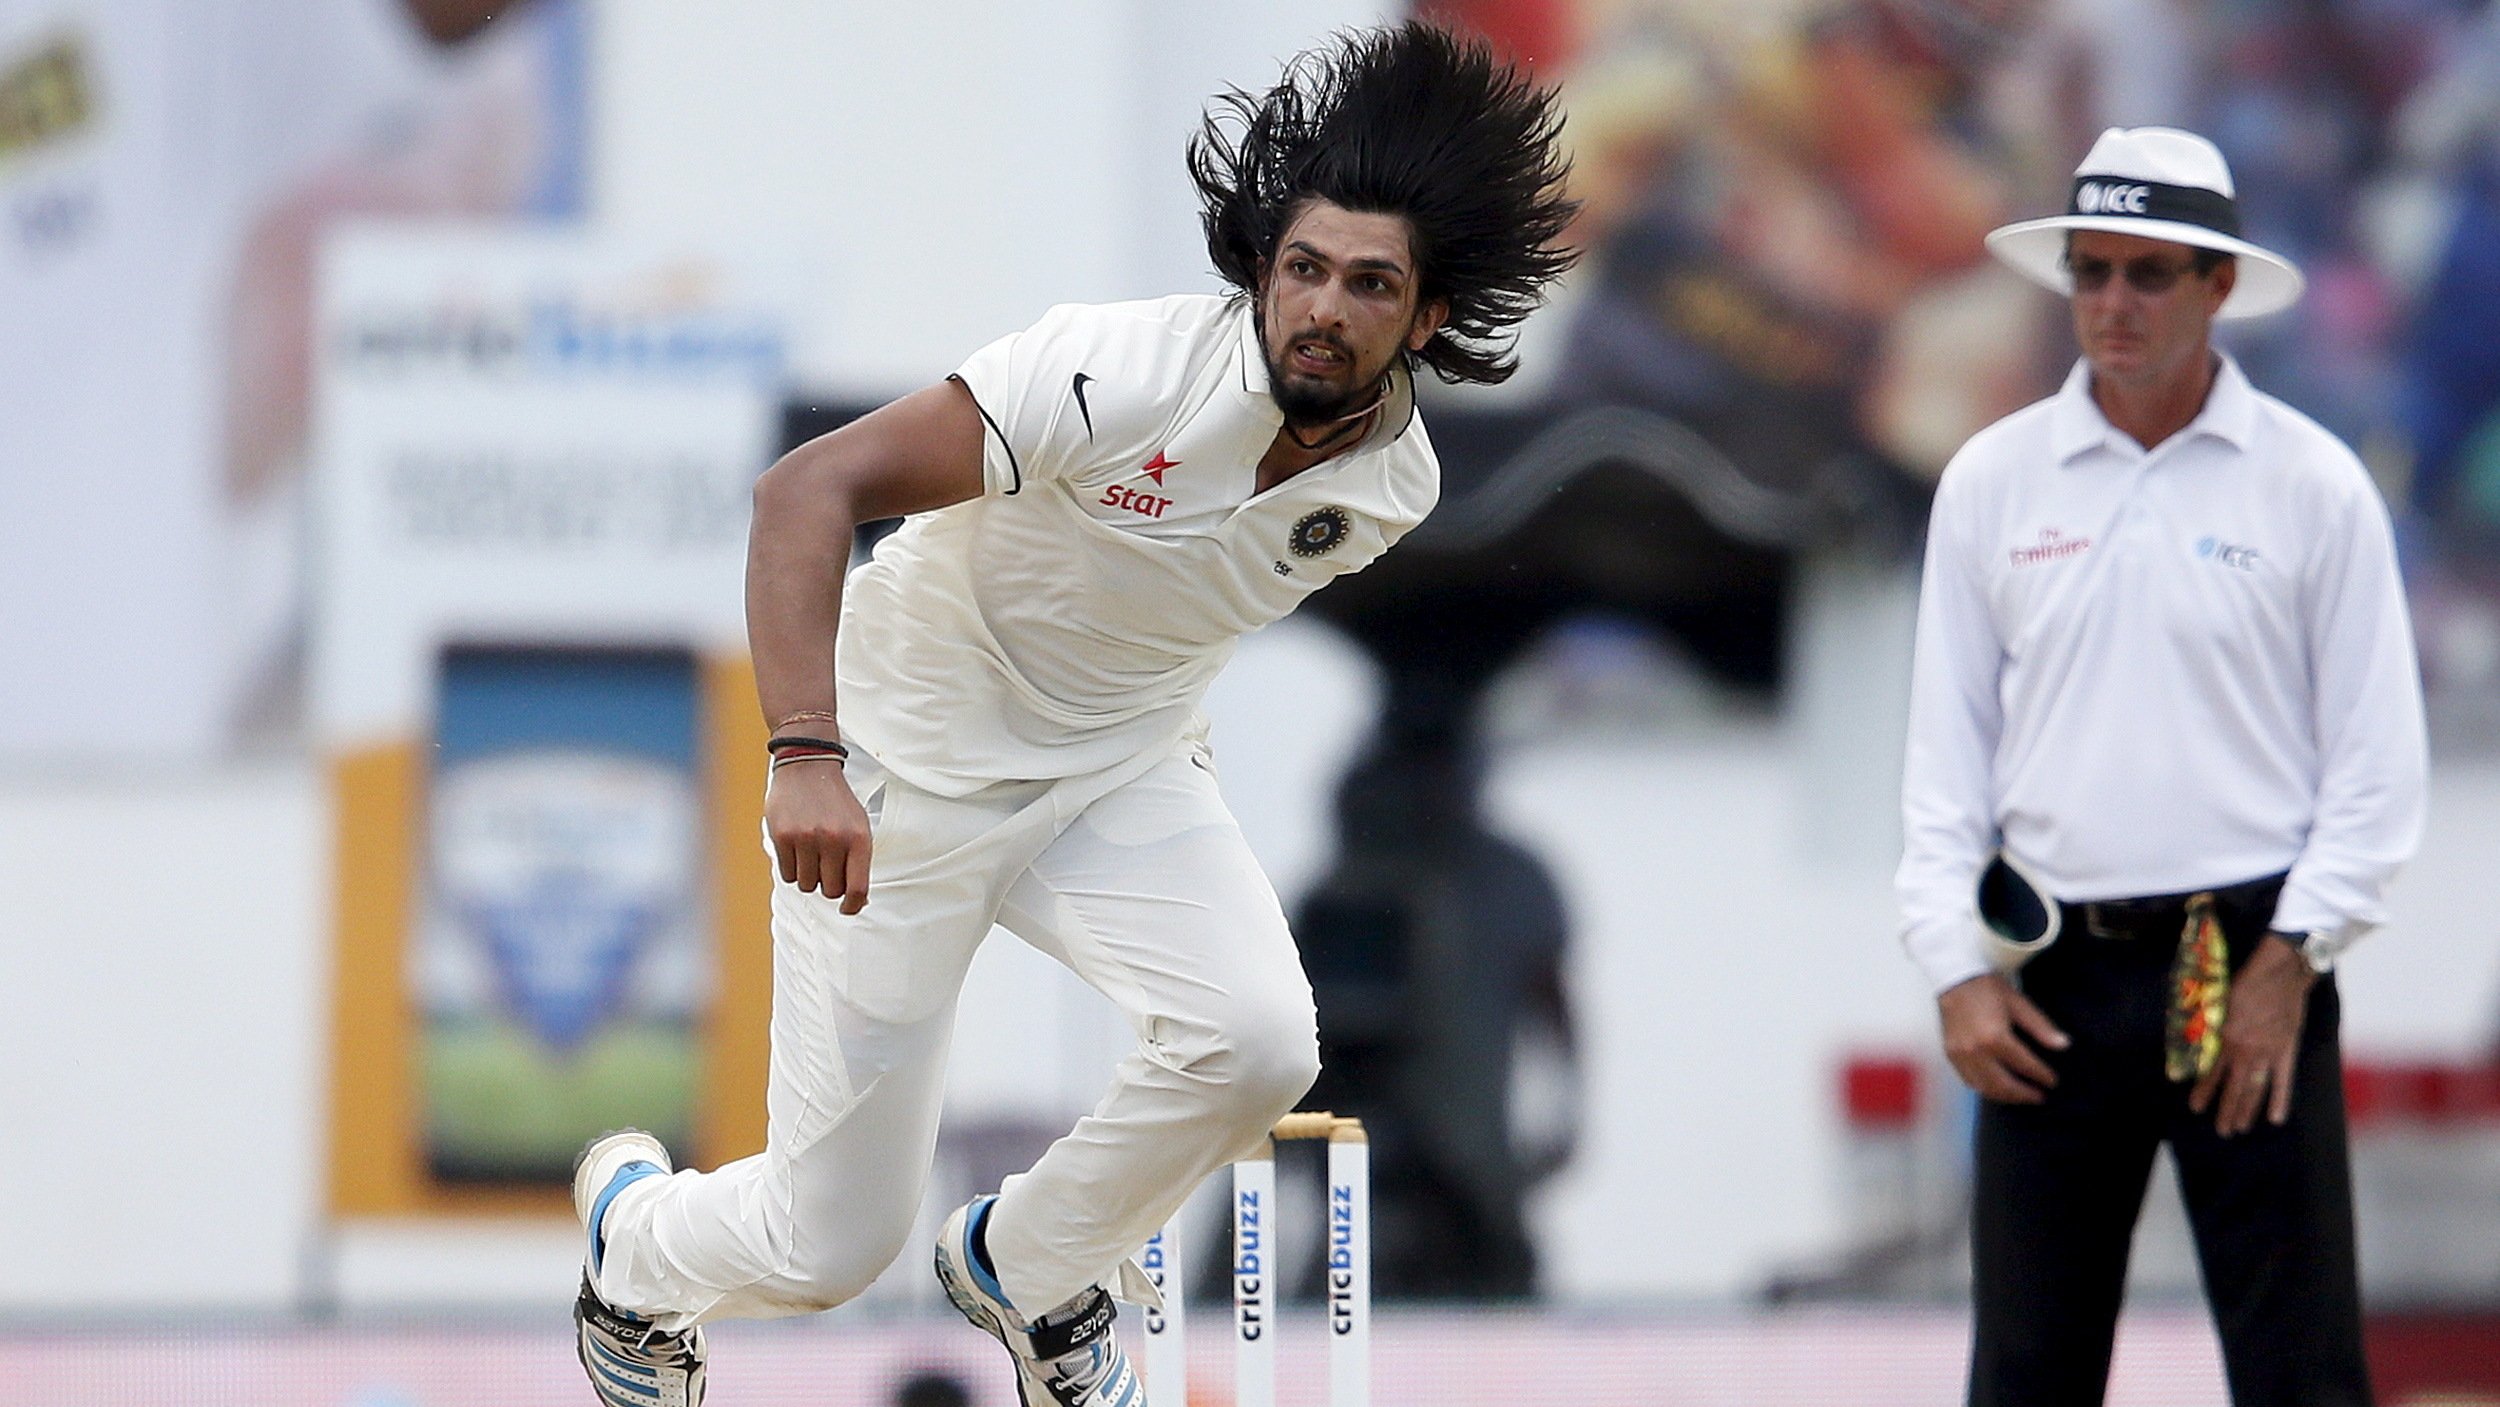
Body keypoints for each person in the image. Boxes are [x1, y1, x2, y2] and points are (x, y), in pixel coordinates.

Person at [567, 22, 1576, 1407]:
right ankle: (635, 1246)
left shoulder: (1395, 488)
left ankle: (1030, 1265)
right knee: (826, 1243)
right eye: (1302, 269)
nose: (1322, 308)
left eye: (1368, 283)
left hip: (1116, 767)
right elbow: (806, 490)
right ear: (1262, 267)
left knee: (1263, 1039)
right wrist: (805, 751)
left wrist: (1146, 752)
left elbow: (1153, 615)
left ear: (1429, 317)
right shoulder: (1122, 369)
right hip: (901, 766)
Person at [1895, 126, 2427, 1407]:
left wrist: (2291, 961)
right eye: (2091, 272)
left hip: (2244, 964)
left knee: (2299, 1366)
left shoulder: (2310, 487)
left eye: (2146, 274)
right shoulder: (1992, 482)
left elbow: (2375, 769)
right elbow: (1943, 760)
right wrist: (1953, 970)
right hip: (2053, 973)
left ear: (2216, 286)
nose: (2111, 305)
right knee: (2027, 1367)